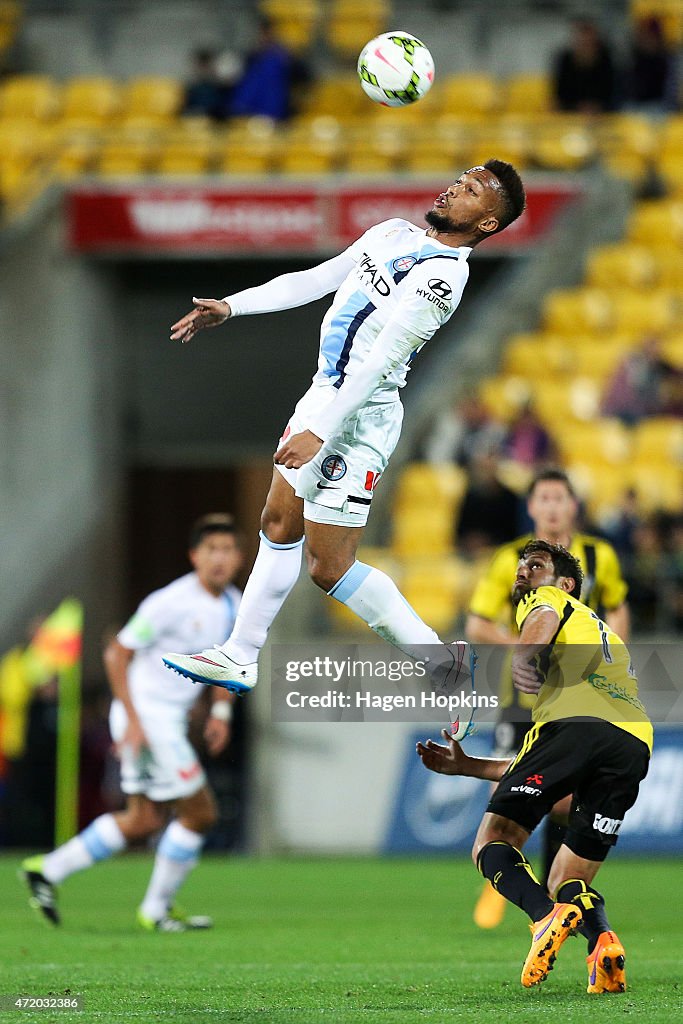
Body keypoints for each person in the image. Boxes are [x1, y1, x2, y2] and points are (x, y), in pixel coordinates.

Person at [162, 161, 526, 694]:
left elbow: (381, 361)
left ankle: (444, 664)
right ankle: (239, 655)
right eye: (461, 178)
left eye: (472, 190)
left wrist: (323, 429)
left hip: (358, 420)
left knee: (329, 567)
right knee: (277, 524)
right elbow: (315, 279)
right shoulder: (392, 233)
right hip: (323, 396)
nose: (455, 186)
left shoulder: (445, 276)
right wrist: (234, 307)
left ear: (486, 224)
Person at [418, 540, 652, 993]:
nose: (522, 573)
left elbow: (542, 621)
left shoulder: (549, 602)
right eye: (521, 566)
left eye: (536, 566)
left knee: (494, 838)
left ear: (565, 584)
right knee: (569, 875)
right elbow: (542, 765)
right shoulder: (600, 637)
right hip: (633, 744)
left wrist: (525, 656)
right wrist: (467, 766)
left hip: (576, 728)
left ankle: (544, 918)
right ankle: (603, 944)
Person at [21, 514, 242, 931]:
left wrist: (220, 712)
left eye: (228, 550)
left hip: (165, 721)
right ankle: (156, 910)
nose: (219, 558)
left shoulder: (232, 605)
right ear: (194, 556)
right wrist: (136, 722)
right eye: (211, 549)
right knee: (200, 811)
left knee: (143, 819)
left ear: (240, 557)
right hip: (148, 716)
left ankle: (47, 870)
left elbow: (227, 665)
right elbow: (116, 653)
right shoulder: (169, 602)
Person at [465, 467, 629, 928]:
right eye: (544, 498)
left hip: (582, 700)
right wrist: (524, 652)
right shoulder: (511, 560)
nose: (553, 506)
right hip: (523, 695)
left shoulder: (601, 557)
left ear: (573, 506)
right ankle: (511, 877)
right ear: (532, 507)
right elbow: (478, 623)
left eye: (561, 498)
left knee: (564, 792)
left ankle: (545, 884)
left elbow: (616, 609)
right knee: (514, 783)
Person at [229, 16, 312, 121]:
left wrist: (292, 59)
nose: (264, 37)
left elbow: (303, 77)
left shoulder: (284, 56)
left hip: (275, 110)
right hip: (251, 109)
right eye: (262, 34)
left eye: (268, 33)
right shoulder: (253, 57)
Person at [552, 18, 617, 114]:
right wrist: (577, 108)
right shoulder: (564, 59)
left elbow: (613, 92)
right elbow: (559, 94)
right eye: (582, 36)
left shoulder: (607, 59)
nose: (586, 40)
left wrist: (596, 107)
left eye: (589, 36)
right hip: (570, 113)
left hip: (603, 113)